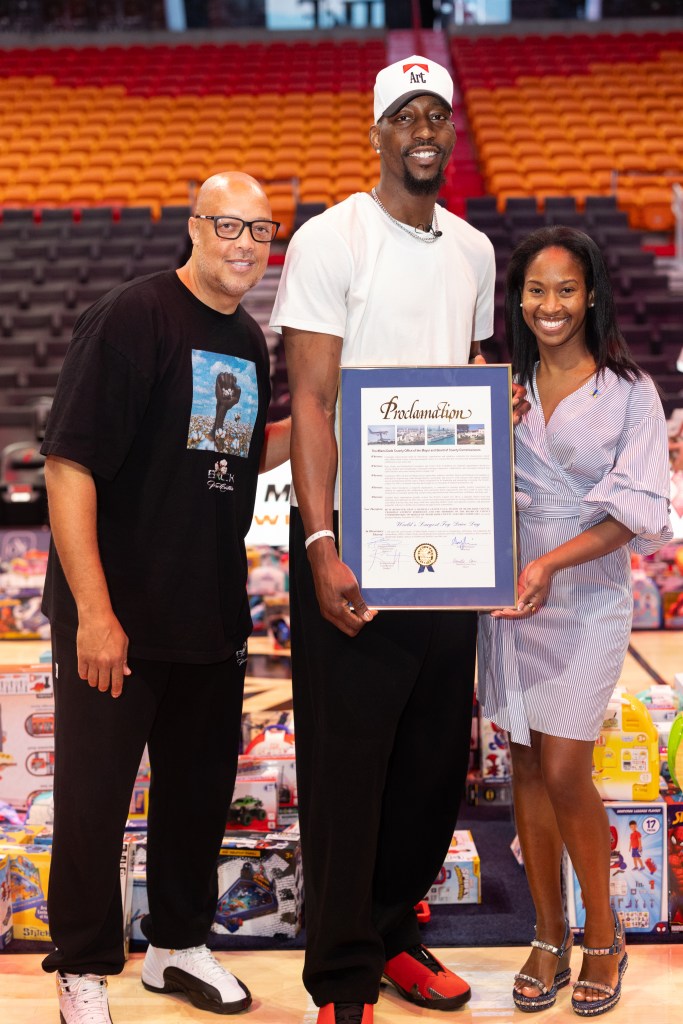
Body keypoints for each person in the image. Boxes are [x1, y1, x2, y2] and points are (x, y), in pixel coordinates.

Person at [269, 55, 527, 1024]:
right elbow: (311, 398)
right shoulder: (328, 240)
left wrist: (485, 534)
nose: (423, 128)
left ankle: (391, 937)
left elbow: (465, 389)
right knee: (346, 765)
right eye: (404, 114)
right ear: (375, 131)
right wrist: (320, 542)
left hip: (445, 550)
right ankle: (338, 977)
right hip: (353, 551)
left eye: (436, 114)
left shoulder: (471, 250)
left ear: (448, 130)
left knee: (427, 765)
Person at [40, 172, 290, 1024]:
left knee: (195, 797)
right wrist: (95, 612)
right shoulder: (132, 317)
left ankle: (177, 945)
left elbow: (243, 453)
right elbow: (68, 466)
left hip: (208, 616)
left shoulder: (251, 343)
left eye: (260, 231)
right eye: (228, 225)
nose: (244, 244)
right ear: (193, 226)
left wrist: (352, 416)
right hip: (117, 620)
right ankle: (81, 968)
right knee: (92, 803)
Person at [477, 226, 672, 1017]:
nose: (548, 305)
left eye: (564, 290)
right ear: (516, 299)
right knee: (523, 765)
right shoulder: (500, 385)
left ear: (589, 294)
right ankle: (547, 933)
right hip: (509, 604)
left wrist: (550, 565)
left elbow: (637, 512)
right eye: (534, 291)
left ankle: (603, 934)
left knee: (563, 769)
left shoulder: (630, 392)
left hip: (585, 598)